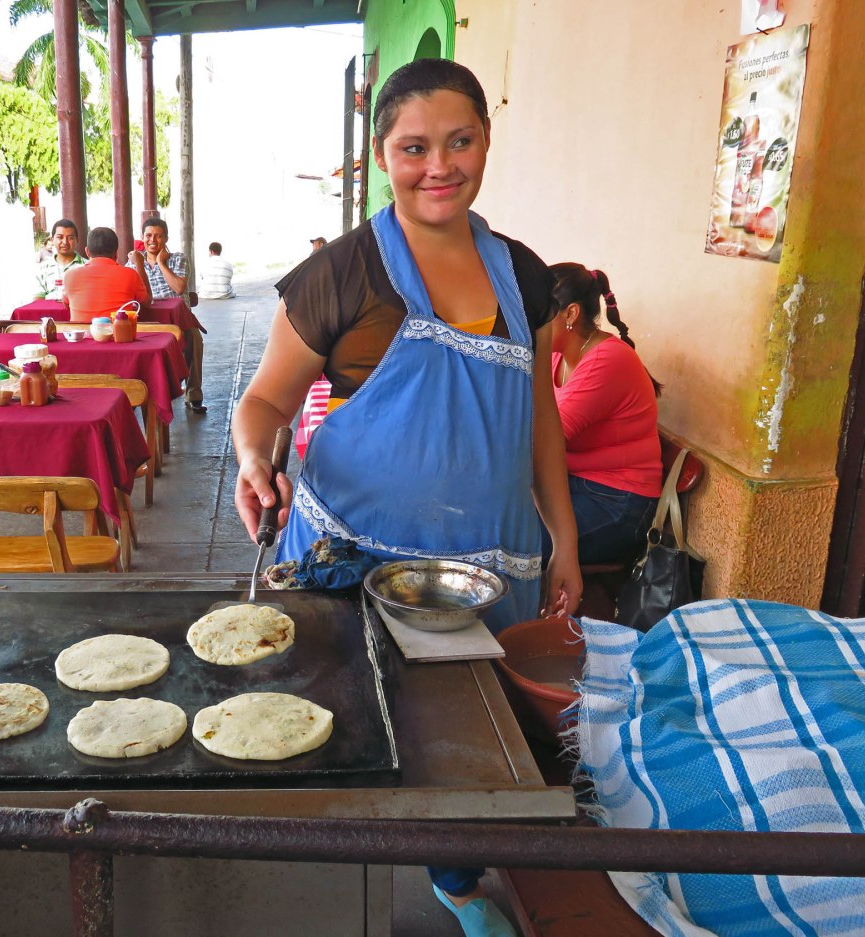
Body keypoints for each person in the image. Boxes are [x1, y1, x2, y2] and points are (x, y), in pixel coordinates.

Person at [232, 59, 581, 937]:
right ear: (381, 155)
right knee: (342, 731)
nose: (440, 166)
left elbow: (537, 413)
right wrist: (250, 457)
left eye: (460, 141)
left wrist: (564, 536)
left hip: (485, 568)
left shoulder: (525, 276)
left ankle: (456, 883)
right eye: (413, 147)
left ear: (486, 142)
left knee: (466, 749)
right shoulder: (343, 273)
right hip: (355, 554)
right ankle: (315, 893)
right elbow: (267, 401)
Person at [547, 264, 663, 564]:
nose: (528, 322)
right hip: (574, 484)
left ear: (570, 314)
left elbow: (545, 440)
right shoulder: (557, 356)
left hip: (617, 504)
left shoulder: (607, 360)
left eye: (538, 312)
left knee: (509, 539)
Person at [129, 217, 207, 414]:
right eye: (148, 235)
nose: (152, 240)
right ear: (142, 237)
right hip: (149, 323)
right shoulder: (133, 263)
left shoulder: (178, 258)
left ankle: (193, 395)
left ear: (166, 238)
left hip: (179, 320)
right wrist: (139, 264)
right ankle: (141, 394)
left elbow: (179, 288)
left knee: (195, 338)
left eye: (158, 236)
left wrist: (162, 264)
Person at [62, 226, 150, 324]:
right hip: (119, 334)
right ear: (116, 254)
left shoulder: (69, 275)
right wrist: (140, 265)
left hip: (82, 336)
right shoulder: (130, 274)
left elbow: (66, 304)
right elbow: (147, 302)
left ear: (87, 252)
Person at [34, 219, 85, 301]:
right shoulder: (43, 268)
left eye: (70, 238)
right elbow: (37, 300)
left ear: (77, 240)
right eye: (60, 237)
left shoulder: (87, 266)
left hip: (77, 313)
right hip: (49, 313)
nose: (65, 242)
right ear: (52, 239)